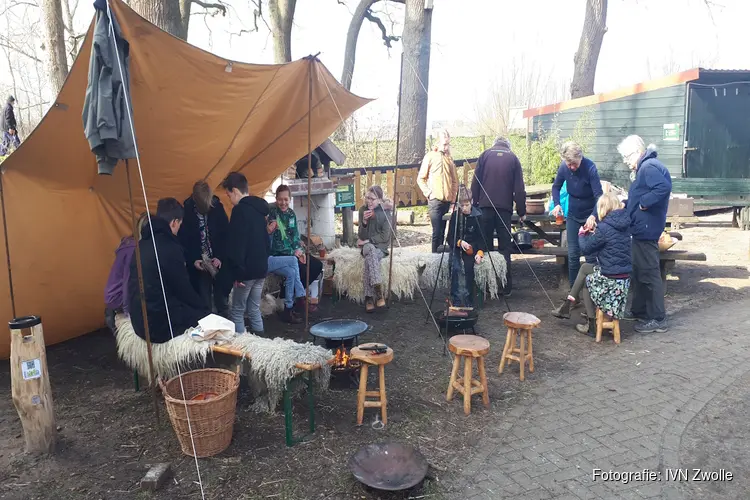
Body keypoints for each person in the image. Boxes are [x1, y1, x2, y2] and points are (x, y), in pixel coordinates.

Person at [128, 199, 210, 343]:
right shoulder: (170, 248)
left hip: (138, 320)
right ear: (174, 222)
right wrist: (205, 309)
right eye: (179, 224)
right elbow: (183, 289)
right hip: (157, 327)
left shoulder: (141, 245)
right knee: (204, 316)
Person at [551, 193, 632, 336]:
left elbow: (587, 248)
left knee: (587, 283)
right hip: (623, 278)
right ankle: (569, 303)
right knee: (585, 269)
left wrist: (582, 233)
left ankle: (591, 324)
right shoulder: (625, 225)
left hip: (610, 277)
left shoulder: (604, 227)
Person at [618, 135, 672, 333]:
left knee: (649, 273)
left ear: (636, 153)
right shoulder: (647, 166)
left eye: (626, 157)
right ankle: (639, 310)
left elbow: (663, 188)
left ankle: (658, 318)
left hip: (647, 229)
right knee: (639, 271)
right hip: (641, 228)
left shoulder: (648, 167)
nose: (626, 162)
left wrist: (643, 203)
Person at [471, 136, 526, 296]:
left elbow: (475, 183)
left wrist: (474, 205)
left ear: (494, 144)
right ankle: (505, 286)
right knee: (505, 247)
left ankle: (488, 285)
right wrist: (521, 212)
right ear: (508, 145)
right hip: (504, 209)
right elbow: (519, 189)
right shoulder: (513, 158)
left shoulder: (485, 155)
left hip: (484, 208)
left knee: (485, 246)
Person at [219, 172, 270, 334]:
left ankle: (244, 352)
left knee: (237, 311)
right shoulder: (259, 210)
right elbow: (265, 241)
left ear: (234, 190)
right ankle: (262, 346)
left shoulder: (239, 211)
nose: (229, 199)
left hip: (245, 272)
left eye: (228, 195)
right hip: (261, 269)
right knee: (254, 308)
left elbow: (237, 245)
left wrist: (237, 273)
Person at [551, 141, 603, 288]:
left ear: (580, 158)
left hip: (589, 214)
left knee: (590, 255)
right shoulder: (564, 168)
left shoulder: (590, 168)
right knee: (573, 254)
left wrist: (594, 215)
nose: (572, 167)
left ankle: (593, 290)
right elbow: (556, 187)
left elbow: (599, 196)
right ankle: (574, 293)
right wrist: (557, 203)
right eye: (569, 164)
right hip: (573, 214)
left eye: (574, 164)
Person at [178, 181, 230, 317]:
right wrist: (193, 260)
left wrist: (220, 256)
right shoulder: (186, 213)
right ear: (195, 199)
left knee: (222, 300)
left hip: (217, 263)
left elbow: (226, 235)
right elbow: (184, 241)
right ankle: (208, 327)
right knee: (204, 301)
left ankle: (227, 327)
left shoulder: (218, 208)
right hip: (199, 264)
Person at [268, 184, 324, 311]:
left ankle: (293, 295)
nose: (283, 202)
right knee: (302, 269)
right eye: (280, 199)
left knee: (316, 266)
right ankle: (296, 299)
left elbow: (295, 237)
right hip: (279, 255)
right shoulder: (273, 214)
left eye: (286, 199)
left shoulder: (291, 214)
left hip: (293, 252)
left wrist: (300, 251)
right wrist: (293, 253)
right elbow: (276, 244)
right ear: (276, 199)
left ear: (290, 199)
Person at [104, 213, 147, 332]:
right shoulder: (133, 250)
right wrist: (129, 315)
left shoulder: (130, 245)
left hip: (116, 300)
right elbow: (128, 282)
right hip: (117, 303)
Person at [418, 129, 458, 253]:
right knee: (436, 232)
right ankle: (433, 259)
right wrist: (429, 193)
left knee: (444, 231)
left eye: (448, 144)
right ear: (438, 143)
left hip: (447, 201)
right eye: (444, 144)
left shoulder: (449, 159)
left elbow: (455, 181)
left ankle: (442, 259)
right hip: (435, 200)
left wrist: (453, 201)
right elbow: (420, 178)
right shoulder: (430, 156)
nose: (446, 147)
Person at [446, 187, 485, 307]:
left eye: (467, 205)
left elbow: (483, 239)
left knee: (469, 268)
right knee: (455, 267)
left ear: (471, 202)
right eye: (462, 205)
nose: (464, 208)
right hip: (457, 248)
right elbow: (449, 237)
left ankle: (469, 300)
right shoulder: (455, 216)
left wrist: (479, 253)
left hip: (472, 249)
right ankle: (456, 299)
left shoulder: (478, 216)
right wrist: (459, 242)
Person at [357, 185, 394, 312]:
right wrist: (364, 223)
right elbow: (360, 236)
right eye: (367, 198)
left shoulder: (384, 212)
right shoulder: (362, 210)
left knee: (370, 259)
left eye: (372, 199)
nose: (369, 201)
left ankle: (368, 297)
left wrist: (368, 240)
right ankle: (378, 292)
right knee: (370, 250)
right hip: (367, 247)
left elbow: (385, 236)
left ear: (379, 200)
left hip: (380, 247)